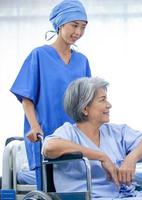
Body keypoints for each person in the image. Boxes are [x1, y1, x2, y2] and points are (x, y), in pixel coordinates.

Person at [42, 77, 142, 200]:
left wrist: (131, 159)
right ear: (85, 108)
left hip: (125, 194)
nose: (109, 105)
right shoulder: (69, 132)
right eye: (102, 100)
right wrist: (101, 156)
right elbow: (49, 147)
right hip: (93, 196)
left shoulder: (116, 131)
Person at [10, 0, 91, 190]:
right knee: (50, 189)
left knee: (80, 189)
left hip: (75, 136)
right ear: (60, 23)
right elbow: (26, 97)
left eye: (83, 27)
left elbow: (88, 101)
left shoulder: (82, 61)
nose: (78, 32)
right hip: (45, 135)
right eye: (74, 25)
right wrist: (34, 126)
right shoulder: (39, 55)